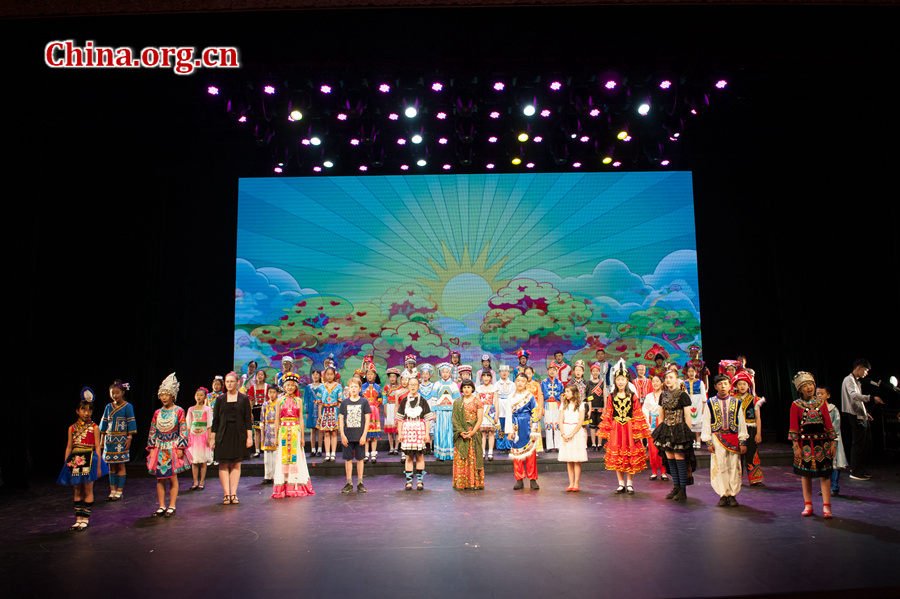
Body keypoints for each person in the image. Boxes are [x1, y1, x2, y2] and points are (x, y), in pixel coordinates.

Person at [598, 360, 650, 494]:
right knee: (618, 456)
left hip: (629, 428)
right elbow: (608, 414)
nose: (620, 382)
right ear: (615, 381)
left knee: (629, 456)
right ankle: (621, 483)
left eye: (623, 379)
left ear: (627, 381)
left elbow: (637, 413)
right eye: (618, 379)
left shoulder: (632, 396)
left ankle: (630, 483)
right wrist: (608, 430)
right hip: (616, 429)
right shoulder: (611, 396)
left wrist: (636, 430)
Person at [58, 389, 108, 530]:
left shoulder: (94, 428)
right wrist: (66, 464)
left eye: (89, 410)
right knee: (77, 489)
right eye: (83, 409)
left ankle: (85, 519)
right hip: (75, 458)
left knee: (88, 488)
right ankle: (78, 519)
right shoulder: (72, 428)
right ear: (77, 411)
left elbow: (98, 447)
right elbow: (69, 447)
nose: (87, 413)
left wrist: (98, 465)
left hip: (89, 458)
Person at [790, 372, 836, 518]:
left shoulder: (821, 403)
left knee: (825, 475)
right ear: (800, 389)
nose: (809, 388)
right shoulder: (796, 405)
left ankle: (827, 507)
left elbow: (828, 424)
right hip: (805, 445)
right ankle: (808, 505)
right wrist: (796, 446)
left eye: (810, 384)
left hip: (823, 444)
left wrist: (833, 442)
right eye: (805, 386)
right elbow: (794, 427)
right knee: (806, 475)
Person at [147, 373, 191, 517]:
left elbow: (183, 430)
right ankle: (161, 505)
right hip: (160, 447)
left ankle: (172, 505)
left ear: (172, 396)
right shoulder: (157, 412)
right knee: (160, 478)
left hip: (172, 447)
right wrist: (152, 448)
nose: (164, 397)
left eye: (167, 394)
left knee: (172, 477)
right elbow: (153, 430)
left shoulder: (178, 411)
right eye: (162, 395)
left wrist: (180, 447)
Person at [701, 374, 748, 507]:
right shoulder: (710, 402)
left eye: (726, 384)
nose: (723, 387)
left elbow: (741, 422)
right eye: (720, 384)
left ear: (730, 386)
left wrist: (742, 440)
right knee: (720, 466)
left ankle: (732, 494)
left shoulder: (737, 402)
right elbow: (706, 422)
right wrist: (708, 440)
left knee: (734, 466)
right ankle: (723, 494)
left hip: (733, 437)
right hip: (718, 437)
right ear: (715, 386)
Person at [210, 371, 253, 505]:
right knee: (223, 464)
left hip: (238, 434)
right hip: (223, 434)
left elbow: (247, 420)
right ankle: (226, 494)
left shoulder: (244, 399)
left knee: (236, 464)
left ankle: (233, 493)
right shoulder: (220, 399)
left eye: (232, 381)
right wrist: (212, 439)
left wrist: (249, 437)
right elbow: (215, 421)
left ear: (236, 383)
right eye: (227, 382)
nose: (229, 384)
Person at [272, 372, 315, 498]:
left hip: (295, 431)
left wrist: (302, 437)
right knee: (283, 458)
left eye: (292, 385)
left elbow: (301, 419)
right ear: (284, 386)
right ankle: (283, 485)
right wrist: (275, 437)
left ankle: (295, 485)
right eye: (287, 385)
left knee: (296, 458)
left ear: (296, 387)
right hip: (284, 431)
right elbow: (276, 420)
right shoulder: (279, 400)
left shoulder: (299, 401)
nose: (290, 387)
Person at [653, 370, 694, 500]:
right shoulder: (663, 395)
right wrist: (660, 430)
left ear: (677, 379)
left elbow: (688, 416)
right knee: (670, 459)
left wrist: (687, 433)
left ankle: (683, 489)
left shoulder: (683, 395)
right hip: (666, 429)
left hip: (679, 429)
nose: (668, 380)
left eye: (671, 377)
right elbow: (661, 415)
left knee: (680, 459)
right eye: (667, 378)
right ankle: (676, 486)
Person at [841, 358, 883, 480]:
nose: (866, 373)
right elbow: (854, 396)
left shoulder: (857, 381)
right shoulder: (849, 380)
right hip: (854, 415)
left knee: (864, 444)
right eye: (865, 370)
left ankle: (860, 468)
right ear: (859, 367)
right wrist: (871, 398)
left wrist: (865, 413)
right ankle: (855, 470)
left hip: (860, 414)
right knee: (858, 444)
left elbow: (858, 400)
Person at [505, 373, 542, 490]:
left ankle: (532, 479)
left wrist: (534, 431)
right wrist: (509, 431)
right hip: (515, 427)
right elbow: (508, 415)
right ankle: (519, 479)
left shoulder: (530, 396)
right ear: (515, 382)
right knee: (517, 454)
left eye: (522, 381)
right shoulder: (510, 397)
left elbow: (534, 413)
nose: (520, 383)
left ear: (526, 383)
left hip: (528, 425)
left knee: (531, 454)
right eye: (518, 380)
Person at [396, 377, 434, 490]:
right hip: (407, 430)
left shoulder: (422, 400)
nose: (413, 386)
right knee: (408, 456)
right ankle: (408, 481)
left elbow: (427, 419)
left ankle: (419, 481)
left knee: (420, 456)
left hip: (419, 430)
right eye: (411, 384)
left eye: (415, 384)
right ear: (408, 386)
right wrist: (400, 433)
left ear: (418, 386)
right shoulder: (404, 401)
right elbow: (400, 419)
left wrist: (427, 434)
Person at [337, 378, 371, 494]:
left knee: (360, 459)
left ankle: (360, 482)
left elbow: (367, 420)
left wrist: (364, 435)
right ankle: (349, 482)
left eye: (356, 387)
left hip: (360, 435)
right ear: (348, 388)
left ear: (360, 389)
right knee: (348, 459)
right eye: (351, 387)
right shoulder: (344, 403)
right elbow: (341, 419)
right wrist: (342, 435)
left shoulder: (364, 402)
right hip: (348, 435)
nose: (353, 389)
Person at [453, 379, 485, 490]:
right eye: (464, 387)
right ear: (461, 389)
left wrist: (472, 432)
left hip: (473, 434)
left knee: (473, 458)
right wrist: (461, 432)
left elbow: (480, 419)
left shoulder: (477, 402)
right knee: (461, 458)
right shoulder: (457, 402)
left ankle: (474, 482)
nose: (466, 389)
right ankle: (462, 483)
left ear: (472, 388)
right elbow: (455, 420)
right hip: (461, 434)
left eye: (469, 387)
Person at [733, 370, 764, 486]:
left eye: (744, 384)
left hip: (751, 429)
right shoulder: (733, 399)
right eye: (740, 384)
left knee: (752, 453)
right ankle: (737, 479)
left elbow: (758, 418)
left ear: (748, 386)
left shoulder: (754, 399)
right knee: (737, 455)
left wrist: (758, 433)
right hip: (737, 430)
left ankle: (755, 479)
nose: (742, 386)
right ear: (736, 386)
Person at [818, 385, 848, 496]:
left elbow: (836, 426)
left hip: (832, 441)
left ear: (828, 395)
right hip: (821, 441)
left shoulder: (832, 409)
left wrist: (833, 441)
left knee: (834, 464)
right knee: (823, 464)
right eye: (818, 394)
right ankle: (825, 487)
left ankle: (834, 487)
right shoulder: (815, 410)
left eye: (822, 393)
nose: (819, 396)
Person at [558, 385, 587, 491]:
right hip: (566, 430)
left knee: (576, 459)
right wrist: (563, 433)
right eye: (565, 391)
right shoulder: (563, 405)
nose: (566, 393)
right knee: (569, 460)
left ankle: (576, 484)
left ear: (574, 393)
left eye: (568, 391)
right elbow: (560, 420)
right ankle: (570, 484)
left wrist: (572, 434)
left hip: (576, 432)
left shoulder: (580, 404)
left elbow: (580, 421)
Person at [431, 363, 460, 460]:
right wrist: (434, 413)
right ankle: (440, 454)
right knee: (440, 432)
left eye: (447, 372)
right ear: (440, 373)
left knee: (450, 432)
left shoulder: (453, 385)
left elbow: (457, 400)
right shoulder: (437, 384)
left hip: (451, 413)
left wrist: (456, 414)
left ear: (450, 373)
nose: (445, 374)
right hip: (440, 413)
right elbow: (434, 399)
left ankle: (451, 454)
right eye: (443, 372)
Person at [187, 387, 213, 490]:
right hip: (194, 435)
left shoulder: (207, 409)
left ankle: (201, 481)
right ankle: (195, 482)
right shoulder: (191, 409)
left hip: (203, 435)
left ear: (205, 397)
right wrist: (188, 437)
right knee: (194, 460)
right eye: (197, 395)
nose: (199, 397)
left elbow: (209, 425)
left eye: (201, 395)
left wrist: (209, 438)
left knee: (202, 460)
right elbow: (188, 424)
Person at [642, 375, 667, 481]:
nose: (655, 383)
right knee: (652, 448)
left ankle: (663, 471)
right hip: (652, 422)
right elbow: (645, 409)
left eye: (657, 381)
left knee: (663, 447)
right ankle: (654, 471)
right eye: (653, 382)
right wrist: (647, 422)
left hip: (663, 421)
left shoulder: (666, 395)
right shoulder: (648, 396)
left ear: (661, 383)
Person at [317, 366, 343, 462]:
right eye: (327, 374)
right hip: (325, 411)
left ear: (334, 375)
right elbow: (319, 402)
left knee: (334, 433)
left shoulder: (338, 386)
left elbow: (340, 401)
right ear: (324, 375)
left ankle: (333, 453)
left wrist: (339, 414)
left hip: (334, 410)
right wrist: (320, 414)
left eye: (331, 374)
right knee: (326, 433)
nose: (329, 376)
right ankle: (327, 453)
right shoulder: (321, 386)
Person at [360, 366, 383, 463]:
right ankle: (366, 454)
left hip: (374, 412)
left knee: (374, 434)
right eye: (368, 374)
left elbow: (380, 398)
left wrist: (376, 405)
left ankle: (373, 453)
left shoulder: (377, 387)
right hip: (365, 411)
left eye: (372, 374)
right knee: (365, 433)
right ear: (366, 375)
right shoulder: (362, 386)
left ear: (375, 375)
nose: (370, 376)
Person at [475, 370, 498, 461]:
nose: (486, 378)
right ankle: (483, 451)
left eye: (488, 376)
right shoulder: (479, 389)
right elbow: (477, 402)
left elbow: (496, 402)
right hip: (482, 411)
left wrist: (496, 414)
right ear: (481, 378)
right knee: (482, 433)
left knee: (491, 433)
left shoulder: (494, 388)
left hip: (491, 411)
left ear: (491, 378)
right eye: (484, 376)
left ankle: (491, 452)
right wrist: (477, 415)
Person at [260, 384, 280, 484]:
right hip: (267, 430)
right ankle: (267, 476)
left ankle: (276, 475)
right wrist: (262, 434)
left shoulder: (279, 404)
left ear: (277, 393)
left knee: (276, 454)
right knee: (268, 456)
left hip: (276, 430)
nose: (271, 394)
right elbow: (262, 420)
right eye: (270, 392)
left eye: (273, 392)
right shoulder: (265, 405)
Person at [541, 363, 564, 452]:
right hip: (547, 405)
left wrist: (562, 407)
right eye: (550, 370)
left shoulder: (560, 383)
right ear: (547, 371)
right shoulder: (543, 382)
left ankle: (558, 445)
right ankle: (550, 446)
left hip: (557, 405)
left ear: (556, 371)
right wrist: (542, 407)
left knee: (557, 425)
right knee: (548, 425)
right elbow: (542, 396)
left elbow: (562, 396)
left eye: (554, 370)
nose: (552, 371)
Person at [247, 369, 269, 457]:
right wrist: (250, 412)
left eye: (261, 375)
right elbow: (250, 400)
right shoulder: (253, 387)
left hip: (265, 409)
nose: (260, 376)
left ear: (264, 376)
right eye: (258, 375)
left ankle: (266, 448)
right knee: (257, 430)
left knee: (265, 430)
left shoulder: (267, 386)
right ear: (256, 376)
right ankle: (257, 450)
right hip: (256, 410)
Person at [684, 364, 707, 449]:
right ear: (687, 372)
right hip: (689, 403)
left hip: (698, 403)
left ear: (696, 372)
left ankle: (698, 440)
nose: (691, 373)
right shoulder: (684, 383)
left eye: (692, 371)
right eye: (689, 371)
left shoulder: (700, 382)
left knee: (698, 422)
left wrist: (703, 408)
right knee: (690, 422)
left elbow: (704, 396)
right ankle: (692, 440)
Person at [382, 367, 402, 455]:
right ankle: (391, 447)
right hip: (389, 407)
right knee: (390, 430)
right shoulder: (386, 387)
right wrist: (385, 410)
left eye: (394, 376)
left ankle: (397, 447)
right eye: (390, 377)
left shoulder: (400, 387)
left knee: (397, 429)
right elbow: (384, 399)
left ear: (397, 377)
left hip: (396, 408)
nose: (392, 378)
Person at [585, 363, 606, 451]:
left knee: (600, 427)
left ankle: (600, 444)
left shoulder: (602, 382)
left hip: (600, 407)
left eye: (597, 371)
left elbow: (604, 395)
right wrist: (588, 409)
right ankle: (594, 444)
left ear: (599, 372)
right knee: (592, 427)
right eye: (593, 371)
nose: (595, 373)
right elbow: (587, 395)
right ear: (591, 372)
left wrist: (605, 407)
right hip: (591, 408)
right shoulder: (588, 383)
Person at [495, 364, 514, 452]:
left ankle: (509, 445)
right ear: (499, 372)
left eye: (506, 371)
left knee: (509, 426)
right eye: (502, 371)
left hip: (509, 407)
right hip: (500, 407)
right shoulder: (496, 384)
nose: (504, 373)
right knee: (500, 427)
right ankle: (501, 446)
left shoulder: (512, 384)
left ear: (508, 372)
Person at [305, 369, 323, 456]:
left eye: (317, 374)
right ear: (311, 376)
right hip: (311, 409)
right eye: (314, 374)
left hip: (320, 409)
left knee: (320, 430)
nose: (315, 376)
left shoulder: (323, 386)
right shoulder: (308, 387)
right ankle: (313, 449)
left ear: (320, 376)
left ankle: (319, 449)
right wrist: (307, 412)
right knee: (313, 430)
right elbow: (306, 400)